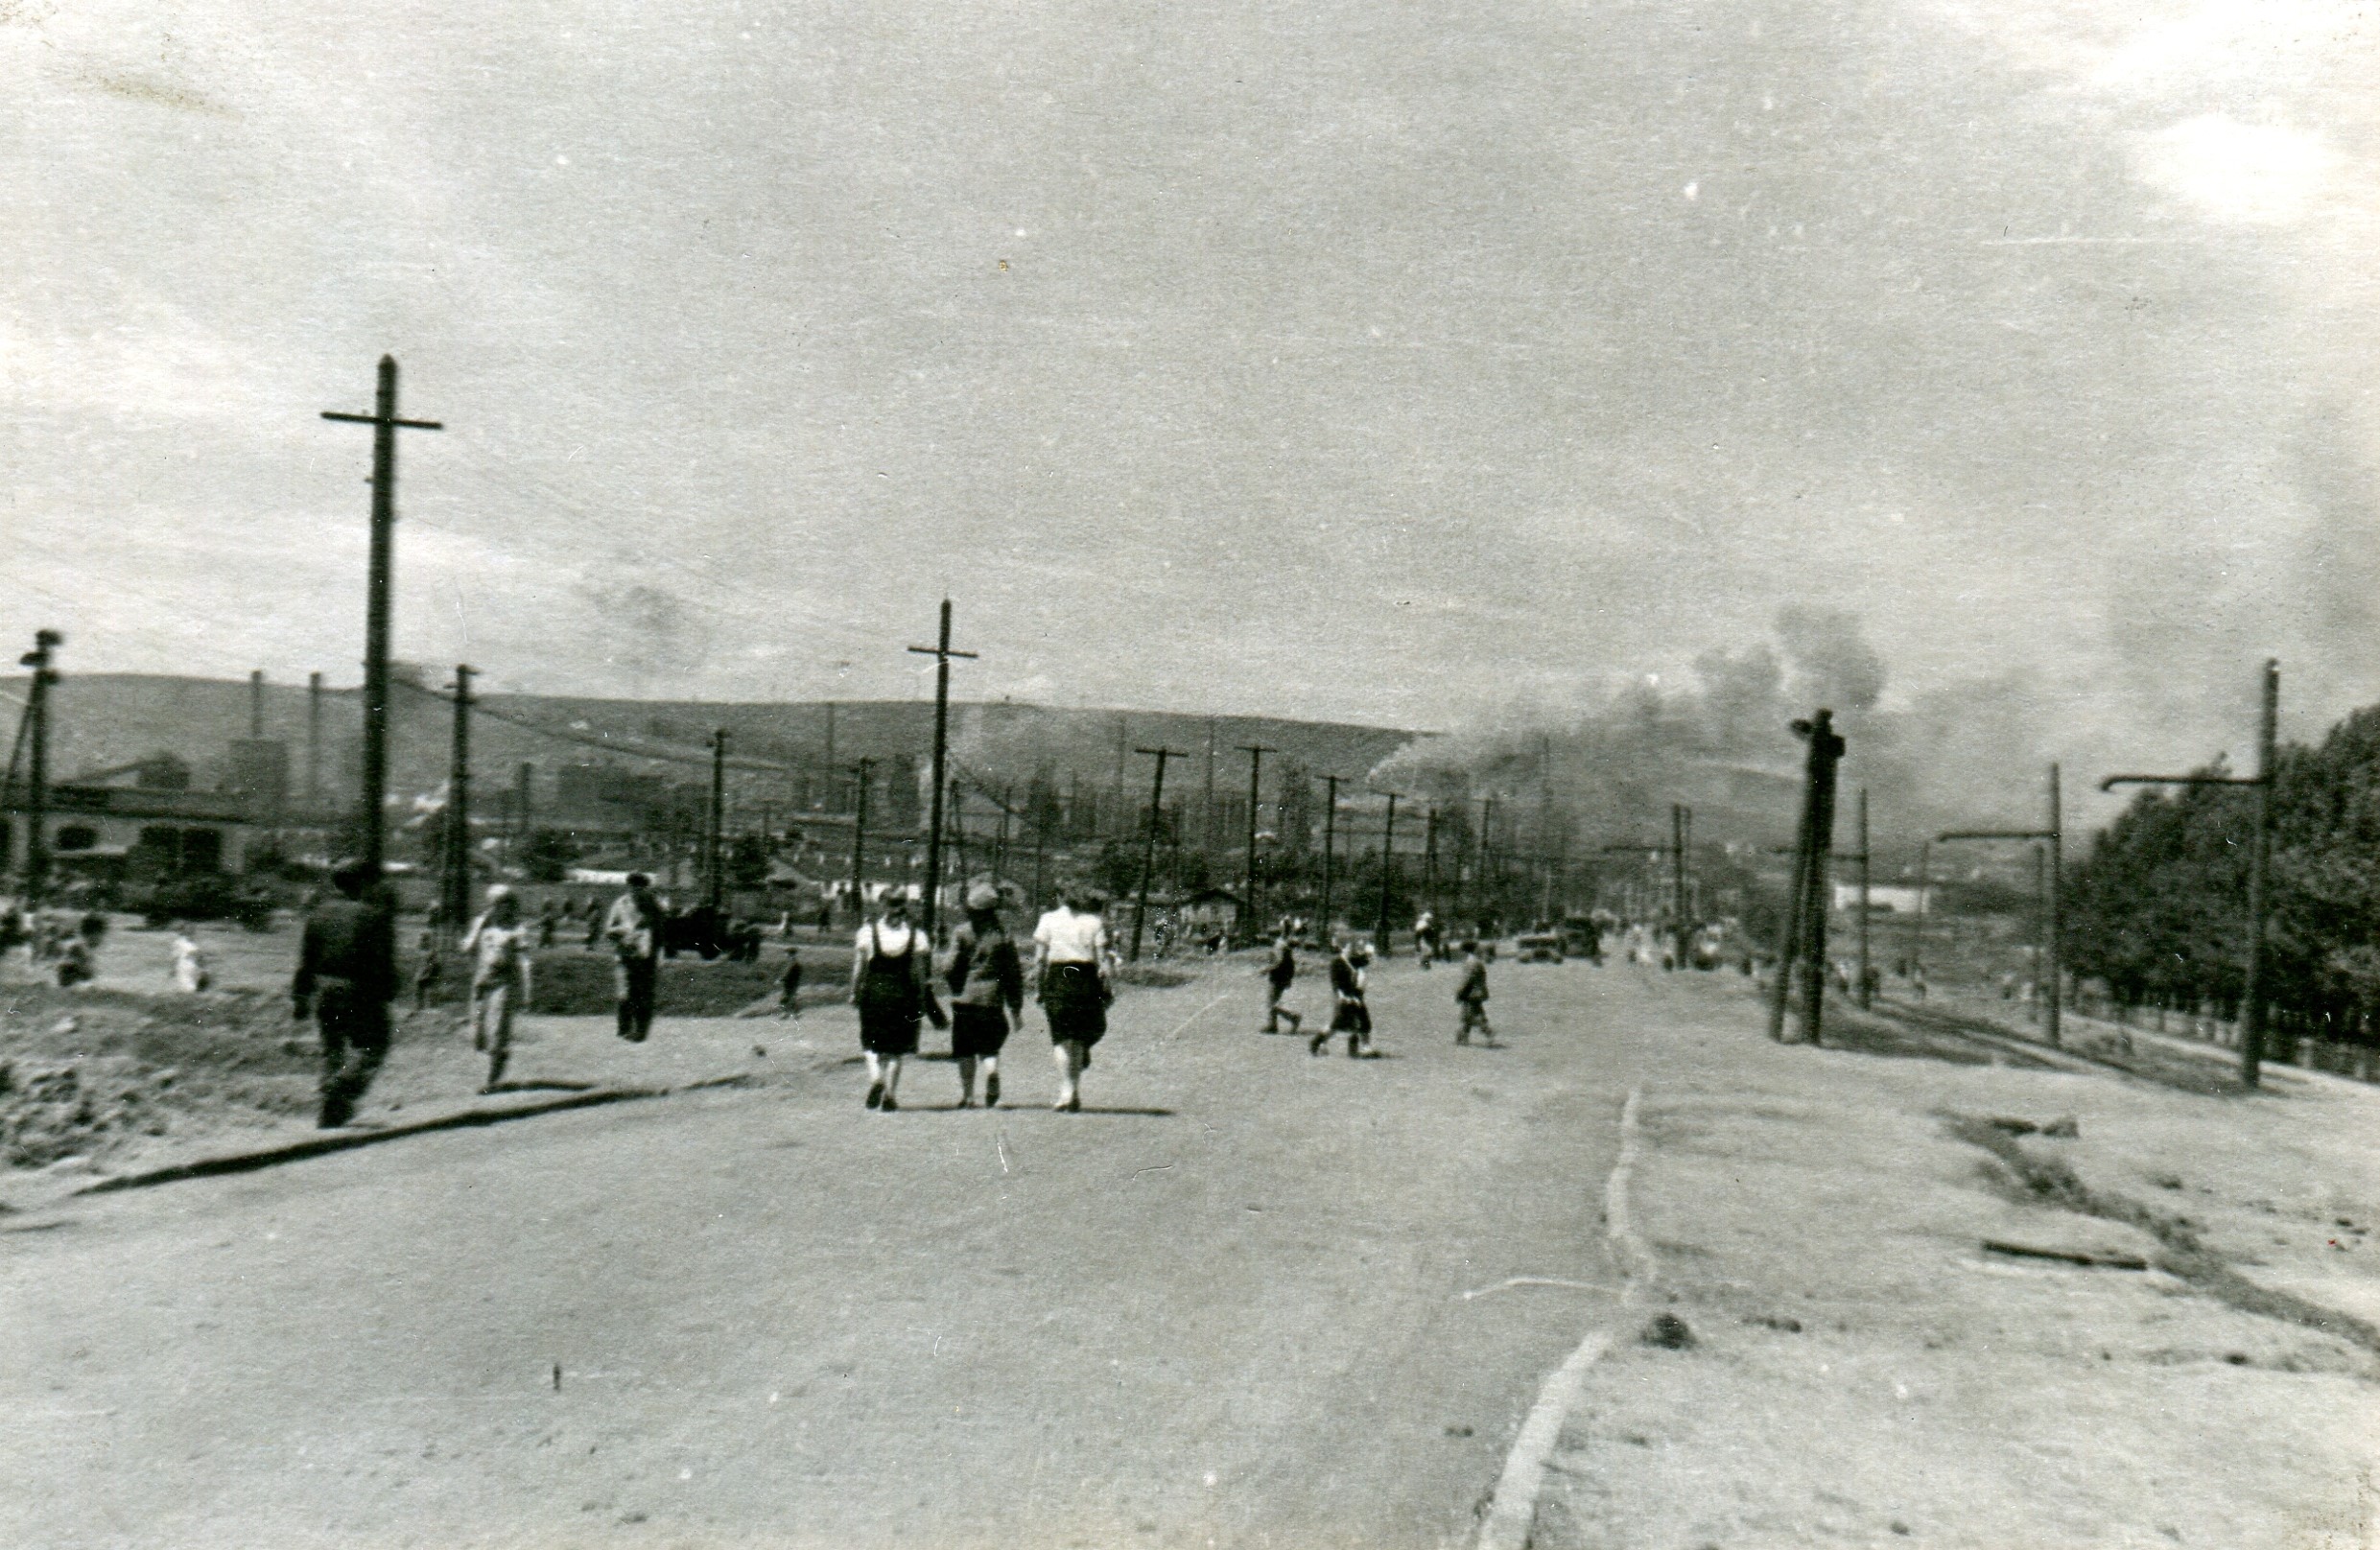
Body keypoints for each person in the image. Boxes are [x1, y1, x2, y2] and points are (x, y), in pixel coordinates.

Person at [293, 859, 397, 1129]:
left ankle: (330, 1112)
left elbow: (306, 961)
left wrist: (300, 997)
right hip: (360, 991)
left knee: (332, 1048)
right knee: (374, 1046)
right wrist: (387, 994)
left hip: (325, 990)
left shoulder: (318, 915)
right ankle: (340, 1087)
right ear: (361, 883)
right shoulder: (374, 917)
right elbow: (384, 964)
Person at [850, 893, 942, 1111]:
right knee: (896, 1049)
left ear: (883, 905)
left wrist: (854, 992)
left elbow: (859, 968)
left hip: (874, 995)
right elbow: (919, 972)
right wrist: (921, 995)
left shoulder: (868, 933)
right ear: (904, 906)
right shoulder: (916, 935)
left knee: (870, 1043)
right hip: (903, 996)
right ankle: (890, 1096)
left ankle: (876, 1078)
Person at [1032, 884, 1114, 1112]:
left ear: (1059, 897)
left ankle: (1066, 1092)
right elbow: (1103, 962)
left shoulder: (1047, 919)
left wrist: (1039, 987)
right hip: (1086, 979)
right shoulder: (1094, 922)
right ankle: (1073, 1090)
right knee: (1078, 1038)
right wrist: (1107, 989)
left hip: (1058, 977)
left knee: (1061, 1037)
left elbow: (1040, 959)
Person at [945, 882, 1025, 1108]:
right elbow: (1013, 974)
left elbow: (948, 966)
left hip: (965, 998)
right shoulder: (1003, 936)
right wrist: (1015, 1008)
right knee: (990, 1046)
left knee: (965, 1049)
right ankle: (991, 1071)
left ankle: (968, 1096)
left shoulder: (961, 932)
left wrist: (954, 983)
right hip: (992, 999)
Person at [461, 884, 533, 1091]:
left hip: (503, 984)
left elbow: (525, 962)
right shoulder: (482, 925)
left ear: (509, 906)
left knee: (497, 1031)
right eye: (491, 903)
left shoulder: (517, 930)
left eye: (499, 904)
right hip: (481, 983)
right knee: (478, 1035)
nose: (493, 908)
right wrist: (478, 928)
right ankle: (500, 1056)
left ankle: (492, 1080)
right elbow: (466, 949)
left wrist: (527, 991)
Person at [604, 873, 665, 1042]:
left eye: (640, 888)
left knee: (643, 993)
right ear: (629, 887)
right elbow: (608, 930)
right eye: (633, 887)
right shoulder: (620, 904)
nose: (636, 891)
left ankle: (640, 1031)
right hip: (625, 954)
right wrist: (621, 933)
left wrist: (659, 952)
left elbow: (661, 932)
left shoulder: (654, 905)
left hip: (646, 956)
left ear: (645, 888)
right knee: (624, 992)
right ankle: (624, 1027)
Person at [1313, 939, 1372, 1057]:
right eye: (1348, 948)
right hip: (1344, 997)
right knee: (1337, 1024)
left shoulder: (1354, 961)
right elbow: (1335, 982)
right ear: (1342, 948)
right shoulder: (1337, 963)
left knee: (1363, 1021)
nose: (1350, 950)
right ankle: (1318, 1043)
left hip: (1356, 995)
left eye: (1352, 948)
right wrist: (1342, 996)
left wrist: (1368, 951)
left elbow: (1366, 960)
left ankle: (1366, 1048)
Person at [1260, 933, 1303, 1035]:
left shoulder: (1279, 946)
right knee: (1272, 1002)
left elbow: (1277, 963)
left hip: (1278, 978)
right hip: (1281, 978)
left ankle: (1293, 1017)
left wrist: (1265, 969)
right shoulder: (1283, 946)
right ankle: (1272, 1026)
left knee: (1272, 1004)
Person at [1455, 939, 1495, 1046]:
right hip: (1477, 992)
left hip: (1471, 993)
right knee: (1468, 1015)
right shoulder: (1476, 961)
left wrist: (1460, 991)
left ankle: (1488, 1032)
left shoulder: (1470, 962)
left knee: (1471, 1016)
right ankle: (1462, 1038)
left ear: (1464, 950)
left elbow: (1467, 979)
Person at [411, 926, 444, 1013]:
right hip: (420, 973)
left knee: (430, 991)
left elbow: (436, 963)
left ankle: (431, 1007)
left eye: (425, 940)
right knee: (419, 990)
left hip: (429, 973)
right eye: (421, 940)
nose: (423, 942)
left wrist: (434, 970)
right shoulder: (418, 950)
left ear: (428, 941)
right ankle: (419, 1007)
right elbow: (416, 963)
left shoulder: (432, 951)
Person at [170, 923, 209, 993]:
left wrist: (202, 967)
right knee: (187, 985)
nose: (191, 933)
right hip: (184, 964)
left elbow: (199, 956)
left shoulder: (192, 943)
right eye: (188, 931)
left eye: (191, 931)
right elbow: (175, 956)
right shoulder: (179, 942)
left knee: (192, 983)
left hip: (192, 965)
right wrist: (173, 968)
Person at [778, 943, 805, 1018]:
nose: (786, 955)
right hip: (791, 983)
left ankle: (787, 1013)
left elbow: (788, 974)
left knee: (786, 998)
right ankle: (795, 1013)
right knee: (790, 998)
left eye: (787, 953)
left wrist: (781, 980)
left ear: (790, 954)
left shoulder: (793, 963)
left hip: (791, 984)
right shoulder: (793, 963)